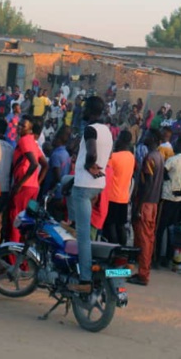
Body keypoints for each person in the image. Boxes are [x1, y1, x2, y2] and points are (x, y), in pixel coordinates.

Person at [71, 96, 113, 292]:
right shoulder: (108, 131)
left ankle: (85, 279)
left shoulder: (90, 129)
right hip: (98, 184)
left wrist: (89, 165)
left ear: (89, 110)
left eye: (85, 108)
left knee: (83, 235)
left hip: (84, 185)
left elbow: (92, 152)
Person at [129, 128, 164, 287]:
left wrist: (138, 205)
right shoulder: (160, 156)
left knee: (143, 239)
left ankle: (143, 274)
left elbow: (147, 183)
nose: (146, 137)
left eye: (149, 136)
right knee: (147, 239)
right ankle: (142, 270)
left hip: (146, 203)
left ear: (154, 139)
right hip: (154, 203)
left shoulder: (150, 158)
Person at [7, 117, 46, 243]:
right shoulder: (33, 142)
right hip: (32, 187)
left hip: (24, 187)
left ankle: (13, 256)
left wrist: (19, 184)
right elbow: (45, 164)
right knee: (26, 222)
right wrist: (37, 183)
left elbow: (34, 164)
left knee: (16, 219)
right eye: (19, 125)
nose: (19, 128)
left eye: (23, 126)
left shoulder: (24, 140)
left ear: (30, 129)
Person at [155, 136, 181, 265]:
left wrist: (166, 180)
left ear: (180, 145)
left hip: (167, 197)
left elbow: (162, 173)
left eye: (175, 143)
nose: (173, 145)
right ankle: (169, 258)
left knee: (159, 229)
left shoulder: (172, 160)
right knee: (172, 230)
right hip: (179, 198)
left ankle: (156, 257)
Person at [104, 130, 136, 246]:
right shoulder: (132, 157)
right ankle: (123, 251)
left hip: (112, 197)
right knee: (121, 226)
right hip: (124, 197)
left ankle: (113, 249)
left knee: (110, 225)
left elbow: (105, 171)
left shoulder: (114, 157)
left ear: (121, 140)